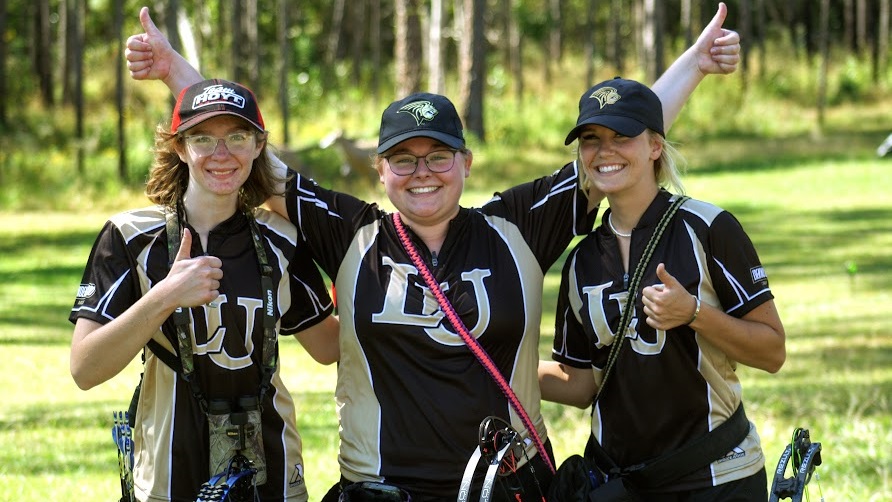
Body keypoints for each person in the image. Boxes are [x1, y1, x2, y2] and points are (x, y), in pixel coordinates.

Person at [123, 4, 741, 500]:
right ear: (380, 170)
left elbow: (616, 149)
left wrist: (696, 62)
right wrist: (177, 72)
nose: (423, 173)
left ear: (464, 163)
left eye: (438, 156)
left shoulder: (515, 227)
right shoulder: (353, 233)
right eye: (403, 158)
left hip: (510, 485)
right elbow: (242, 144)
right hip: (382, 488)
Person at [69, 78, 339, 502]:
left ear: (258, 145)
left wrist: (363, 282)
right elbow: (85, 368)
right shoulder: (130, 236)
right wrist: (166, 296)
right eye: (202, 138)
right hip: (166, 472)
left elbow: (328, 347)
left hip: (272, 471)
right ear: (179, 147)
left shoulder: (283, 240)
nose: (221, 154)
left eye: (237, 136)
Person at [539, 76, 786, 501]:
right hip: (619, 481)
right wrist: (496, 364)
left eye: (622, 136)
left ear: (655, 146)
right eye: (591, 139)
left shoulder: (709, 228)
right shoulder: (581, 261)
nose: (605, 151)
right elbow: (581, 385)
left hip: (715, 477)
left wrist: (693, 313)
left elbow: (772, 351)